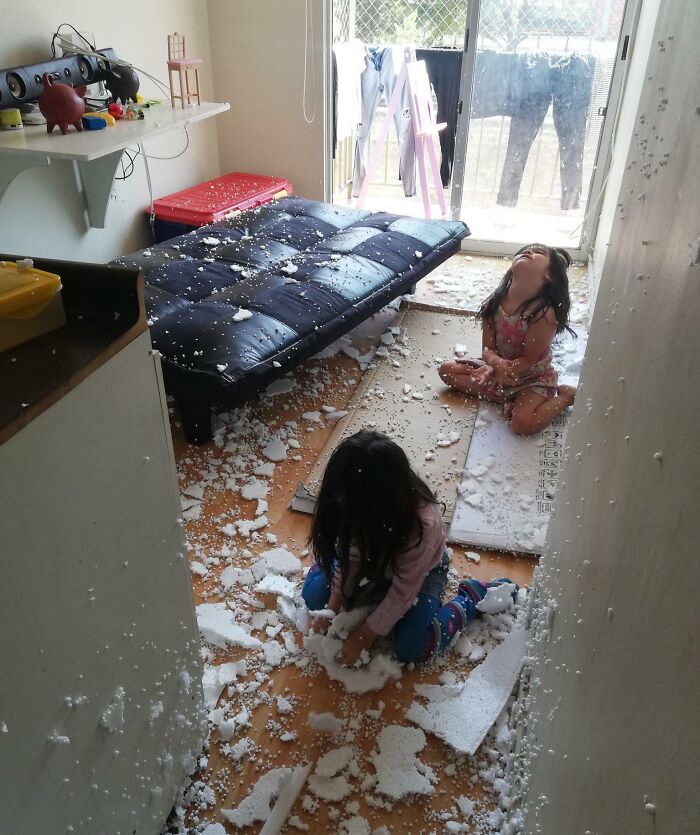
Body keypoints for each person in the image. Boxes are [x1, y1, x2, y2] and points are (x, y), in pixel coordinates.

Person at [300, 430, 517, 665]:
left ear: (379, 507)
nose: (342, 510)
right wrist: (332, 604)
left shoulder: (422, 527)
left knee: (412, 646)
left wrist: (364, 635)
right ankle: (346, 586)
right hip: (371, 558)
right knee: (314, 597)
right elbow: (347, 554)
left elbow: (403, 593)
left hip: (421, 572)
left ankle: (474, 596)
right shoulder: (353, 510)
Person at [438, 244, 577, 435]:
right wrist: (493, 365)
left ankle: (566, 397)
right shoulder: (493, 304)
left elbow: (529, 360)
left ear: (549, 275)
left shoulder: (543, 314)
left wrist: (499, 371)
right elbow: (487, 350)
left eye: (538, 252)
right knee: (446, 371)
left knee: (522, 424)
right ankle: (507, 398)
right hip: (498, 370)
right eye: (525, 250)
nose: (527, 252)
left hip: (531, 378)